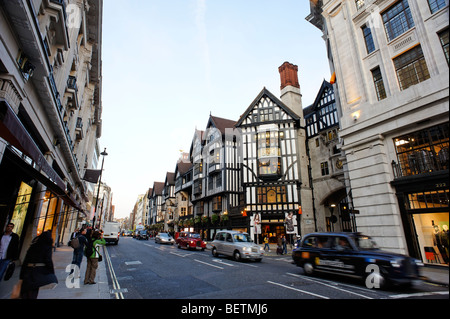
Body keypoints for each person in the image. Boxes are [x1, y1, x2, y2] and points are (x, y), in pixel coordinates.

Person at [18, 231, 57, 299]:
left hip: (28, 271)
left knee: (25, 291)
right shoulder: (47, 247)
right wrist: (51, 272)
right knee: (33, 291)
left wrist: (21, 276)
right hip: (38, 272)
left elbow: (25, 261)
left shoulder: (33, 246)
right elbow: (48, 260)